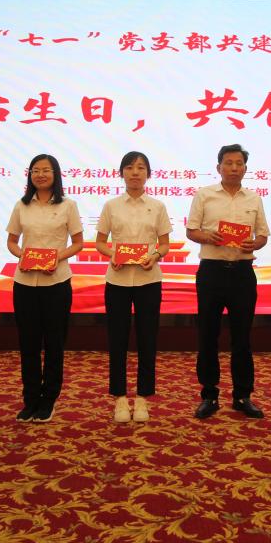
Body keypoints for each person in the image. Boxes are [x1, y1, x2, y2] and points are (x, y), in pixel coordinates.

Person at [186, 143, 270, 419]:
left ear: (245, 168)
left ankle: (243, 396)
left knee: (242, 337)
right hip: (211, 271)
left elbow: (262, 235)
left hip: (242, 273)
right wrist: (207, 236)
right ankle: (209, 395)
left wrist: (255, 244)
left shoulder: (253, 198)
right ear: (218, 167)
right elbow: (191, 231)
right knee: (208, 335)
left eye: (239, 164)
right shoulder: (204, 195)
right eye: (229, 163)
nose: (234, 168)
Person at [95, 151, 172, 423]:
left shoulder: (158, 206)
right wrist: (112, 254)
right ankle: (119, 398)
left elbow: (165, 244)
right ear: (121, 173)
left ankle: (142, 398)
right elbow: (100, 242)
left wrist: (156, 255)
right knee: (117, 339)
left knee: (147, 339)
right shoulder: (111, 206)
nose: (135, 172)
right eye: (129, 167)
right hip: (117, 280)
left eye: (140, 167)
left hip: (148, 280)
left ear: (148, 174)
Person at [6, 154, 83, 423]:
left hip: (56, 282)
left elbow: (78, 243)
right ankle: (30, 399)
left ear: (55, 174)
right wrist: (23, 257)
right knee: (28, 343)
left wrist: (56, 258)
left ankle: (49, 399)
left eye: (46, 170)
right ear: (30, 175)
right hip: (25, 282)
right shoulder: (21, 205)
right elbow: (12, 242)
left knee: (54, 343)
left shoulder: (68, 205)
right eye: (35, 171)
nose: (40, 175)